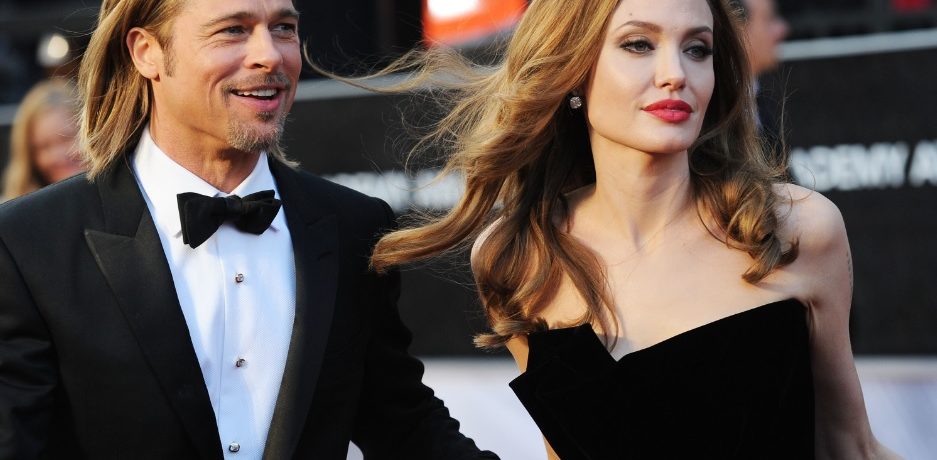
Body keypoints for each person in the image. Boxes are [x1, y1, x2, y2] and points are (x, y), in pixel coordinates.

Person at [369, 0, 899, 458]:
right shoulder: (518, 257)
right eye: (639, 44)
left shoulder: (792, 230)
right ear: (574, 69)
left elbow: (850, 446)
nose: (676, 73)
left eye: (697, 49)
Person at [0, 0, 498, 459]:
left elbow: (403, 425)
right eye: (233, 30)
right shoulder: (30, 243)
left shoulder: (352, 227)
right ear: (147, 52)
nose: (270, 55)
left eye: (283, 28)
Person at [1, 78, 84, 201]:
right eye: (44, 146)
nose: (58, 156)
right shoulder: (13, 207)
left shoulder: (114, 200)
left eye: (66, 138)